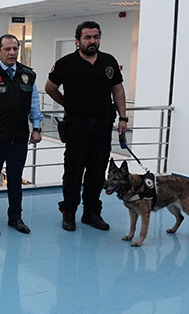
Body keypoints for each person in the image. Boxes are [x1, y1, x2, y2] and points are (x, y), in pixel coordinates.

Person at [44, 20, 128, 232]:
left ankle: (91, 213)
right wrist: (68, 104)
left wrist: (123, 117)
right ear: (77, 41)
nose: (92, 41)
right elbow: (50, 88)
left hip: (102, 125)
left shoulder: (109, 61)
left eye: (96, 37)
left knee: (97, 172)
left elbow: (117, 89)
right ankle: (69, 212)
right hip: (76, 126)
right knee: (73, 172)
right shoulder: (65, 64)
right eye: (88, 37)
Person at [0, 34, 42, 236]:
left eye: (15, 49)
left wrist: (36, 128)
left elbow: (34, 104)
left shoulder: (28, 75)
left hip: (19, 137)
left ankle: (15, 217)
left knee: (15, 180)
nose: (12, 53)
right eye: (7, 49)